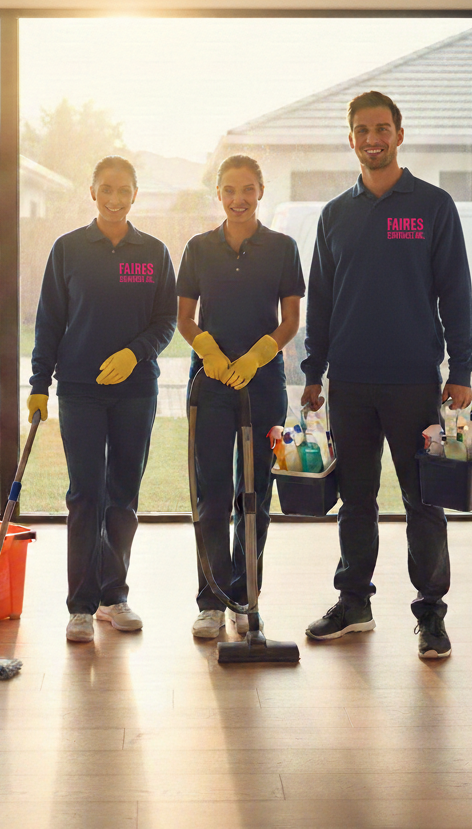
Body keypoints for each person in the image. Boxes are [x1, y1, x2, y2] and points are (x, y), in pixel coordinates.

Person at [301, 91, 472, 659]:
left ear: (400, 134)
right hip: (350, 382)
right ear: (350, 138)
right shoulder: (334, 215)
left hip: (413, 381)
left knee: (423, 501)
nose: (372, 139)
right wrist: (314, 371)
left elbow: (456, 293)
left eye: (381, 128)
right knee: (355, 499)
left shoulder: (432, 207)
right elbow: (321, 302)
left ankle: (431, 613)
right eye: (362, 130)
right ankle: (354, 603)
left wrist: (461, 369)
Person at [27, 156, 177, 644]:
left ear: (135, 194)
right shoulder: (68, 249)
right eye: (106, 189)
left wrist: (135, 354)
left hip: (136, 390)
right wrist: (39, 384)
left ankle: (114, 597)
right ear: (92, 191)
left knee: (123, 495)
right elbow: (50, 320)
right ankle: (81, 605)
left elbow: (166, 322)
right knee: (85, 495)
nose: (115, 199)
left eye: (124, 190)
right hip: (80, 390)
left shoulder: (153, 253)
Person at [176, 155, 304, 639]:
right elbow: (185, 318)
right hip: (210, 383)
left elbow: (290, 320)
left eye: (247, 189)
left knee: (254, 494)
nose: (238, 199)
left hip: (263, 383)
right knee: (212, 494)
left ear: (261, 191)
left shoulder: (282, 248)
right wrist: (207, 350)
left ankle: (246, 598)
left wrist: (258, 355)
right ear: (218, 193)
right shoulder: (198, 248)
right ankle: (211, 601)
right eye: (229, 190)